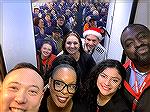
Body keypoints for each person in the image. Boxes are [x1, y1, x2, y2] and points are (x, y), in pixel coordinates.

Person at [120, 24, 150, 112]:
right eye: (129, 44)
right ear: (126, 53)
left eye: (142, 37)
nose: (138, 44)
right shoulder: (119, 74)